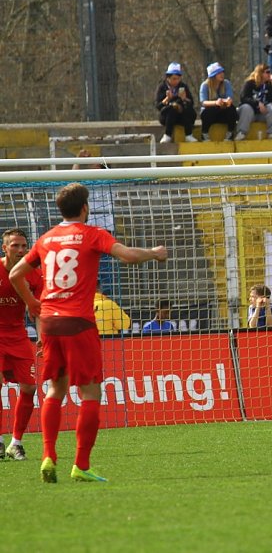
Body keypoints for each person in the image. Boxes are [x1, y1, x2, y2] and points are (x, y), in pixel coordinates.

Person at [9, 182, 167, 483]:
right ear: (85, 207)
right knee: (90, 391)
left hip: (51, 323)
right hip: (79, 322)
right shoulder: (93, 234)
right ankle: (81, 464)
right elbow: (128, 257)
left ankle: (48, 456)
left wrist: (33, 303)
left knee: (56, 389)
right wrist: (154, 253)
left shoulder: (46, 239)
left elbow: (16, 274)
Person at [0, 228, 42, 461]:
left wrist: (42, 337)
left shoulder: (33, 274)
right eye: (15, 245)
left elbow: (38, 311)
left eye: (24, 245)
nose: (20, 249)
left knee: (29, 387)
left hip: (18, 336)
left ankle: (16, 443)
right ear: (4, 248)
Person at [154, 62, 197, 144]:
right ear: (168, 78)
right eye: (174, 79)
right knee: (172, 110)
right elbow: (158, 105)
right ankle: (168, 135)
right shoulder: (162, 87)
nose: (176, 81)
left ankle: (188, 134)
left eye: (178, 79)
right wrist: (167, 99)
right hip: (167, 116)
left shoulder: (183, 86)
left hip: (181, 114)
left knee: (187, 110)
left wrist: (184, 99)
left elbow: (191, 103)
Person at [237, 64, 272, 141]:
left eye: (270, 72)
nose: (269, 74)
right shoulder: (249, 83)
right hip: (250, 114)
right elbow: (243, 98)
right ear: (260, 73)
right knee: (246, 107)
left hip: (263, 114)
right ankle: (242, 133)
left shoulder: (269, 85)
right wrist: (257, 103)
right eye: (267, 72)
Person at [199, 62, 237, 142]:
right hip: (211, 114)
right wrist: (216, 103)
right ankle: (204, 133)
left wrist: (227, 101)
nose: (222, 74)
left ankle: (230, 133)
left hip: (223, 112)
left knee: (232, 109)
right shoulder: (205, 85)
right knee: (208, 111)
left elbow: (229, 97)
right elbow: (203, 102)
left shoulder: (226, 83)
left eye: (222, 72)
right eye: (219, 73)